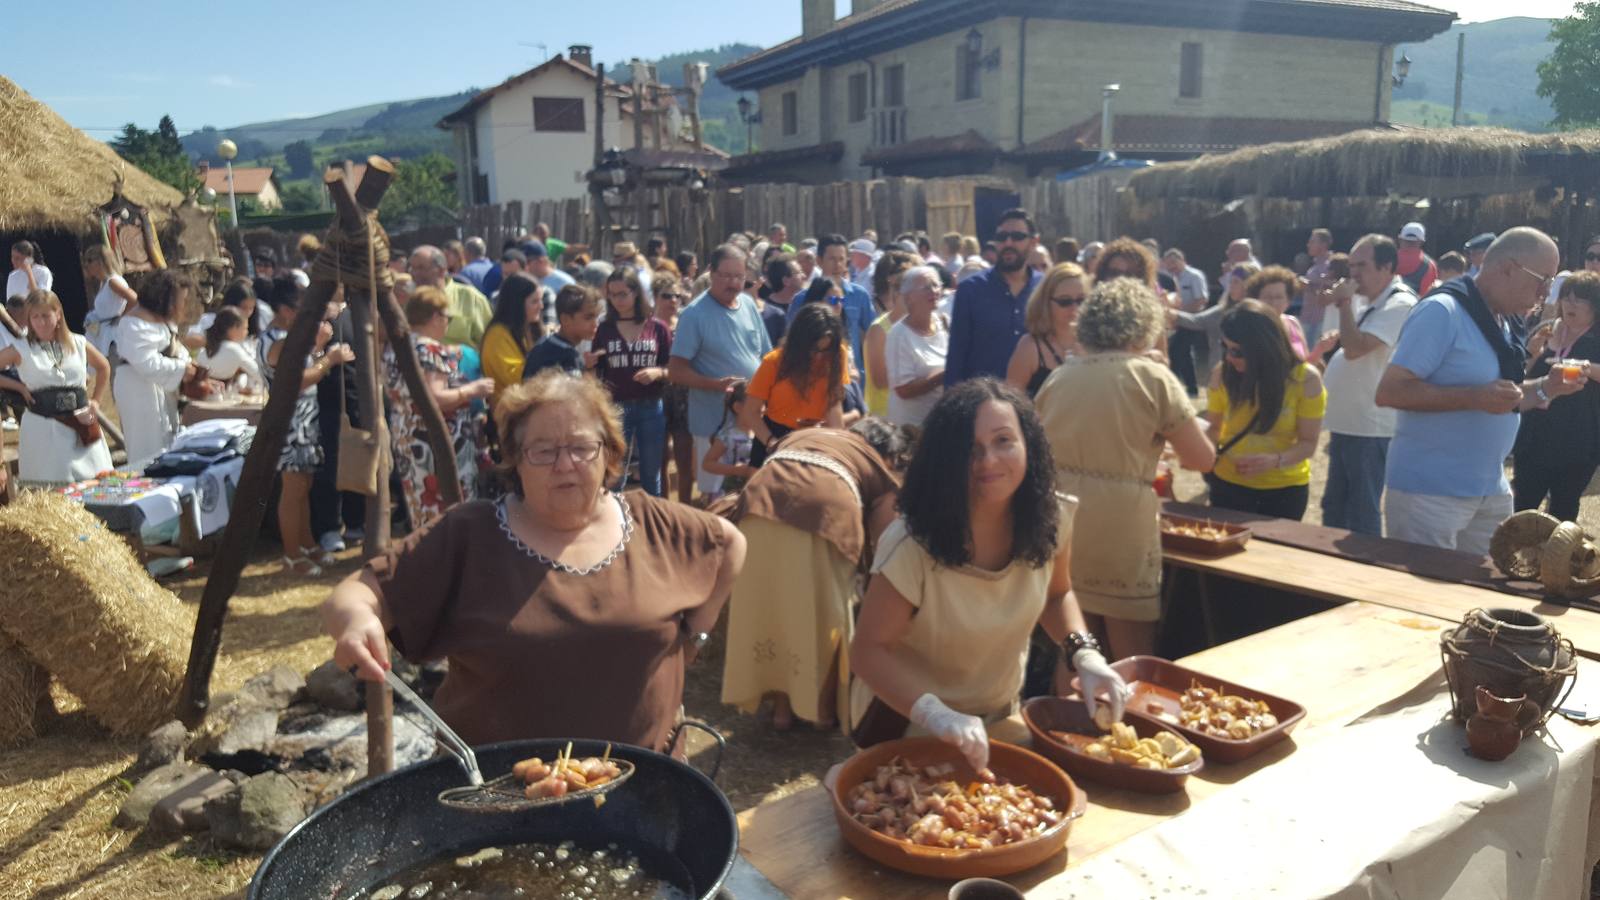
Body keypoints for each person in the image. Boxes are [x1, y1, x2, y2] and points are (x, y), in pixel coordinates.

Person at [325, 371, 747, 749]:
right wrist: (356, 621)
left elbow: (730, 543)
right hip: (497, 799)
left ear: (609, 454)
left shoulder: (655, 523)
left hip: (647, 790)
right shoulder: (471, 535)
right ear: (515, 459)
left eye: (582, 447)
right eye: (542, 451)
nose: (564, 464)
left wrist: (696, 636)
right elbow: (357, 593)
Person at [848, 380, 1129, 766]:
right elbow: (868, 653)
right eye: (970, 448)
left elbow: (1056, 594)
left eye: (1003, 441)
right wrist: (937, 715)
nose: (989, 461)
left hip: (999, 715)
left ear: (1028, 443)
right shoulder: (910, 544)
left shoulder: (1053, 519)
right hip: (908, 724)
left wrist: (1084, 653)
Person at [1037, 279, 1215, 659]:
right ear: (1144, 325)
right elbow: (1202, 459)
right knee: (1130, 653)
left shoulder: (1060, 376)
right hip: (1121, 522)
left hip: (1064, 517)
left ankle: (1064, 717)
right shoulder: (1151, 377)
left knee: (1075, 647)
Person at [1376, 228, 1580, 553]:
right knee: (1424, 599)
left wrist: (1546, 388)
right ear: (1508, 268)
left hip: (1489, 491)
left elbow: (1504, 398)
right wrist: (1473, 397)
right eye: (1542, 280)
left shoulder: (1504, 319)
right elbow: (1389, 391)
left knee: (1481, 598)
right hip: (1430, 494)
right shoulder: (1442, 311)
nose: (1546, 293)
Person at [722, 420, 908, 731]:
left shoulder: (806, 435)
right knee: (823, 618)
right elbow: (886, 545)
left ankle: (782, 711)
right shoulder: (878, 467)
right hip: (825, 510)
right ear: (888, 455)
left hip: (757, 506)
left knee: (773, 611)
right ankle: (821, 712)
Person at [1314, 234, 1417, 535]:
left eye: (1361, 265)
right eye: (1351, 265)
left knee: (1361, 509)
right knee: (1335, 506)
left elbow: (1356, 348)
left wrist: (1344, 303)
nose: (1353, 272)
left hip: (1370, 427)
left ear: (1387, 267)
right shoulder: (1370, 300)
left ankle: (1365, 569)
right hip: (1351, 423)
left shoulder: (1400, 303)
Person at [384, 287, 496, 531]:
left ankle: (426, 556)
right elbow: (435, 398)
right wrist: (473, 390)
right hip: (438, 441)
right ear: (435, 317)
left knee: (420, 505)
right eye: (448, 318)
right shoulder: (432, 350)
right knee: (450, 505)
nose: (448, 324)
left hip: (406, 436)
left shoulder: (395, 349)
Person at [1204, 300, 1327, 520]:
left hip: (1284, 491)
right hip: (1229, 486)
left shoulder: (1305, 379)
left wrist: (1276, 460)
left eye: (1237, 352)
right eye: (1226, 348)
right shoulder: (1222, 374)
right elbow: (1213, 428)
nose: (1230, 358)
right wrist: (1201, 449)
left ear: (1263, 347)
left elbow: (1308, 444)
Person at [264, 285, 356, 574]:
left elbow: (303, 364)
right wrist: (329, 358)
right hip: (290, 421)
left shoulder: (288, 338)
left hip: (305, 419)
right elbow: (298, 380)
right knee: (292, 490)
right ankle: (292, 554)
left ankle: (306, 544)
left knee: (304, 486)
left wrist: (317, 349)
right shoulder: (276, 341)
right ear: (287, 310)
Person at [669, 244, 773, 497]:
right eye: (726, 276)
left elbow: (766, 356)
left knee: (751, 491)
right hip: (713, 422)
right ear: (710, 273)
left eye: (739, 276)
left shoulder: (748, 305)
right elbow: (676, 371)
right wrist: (714, 384)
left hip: (752, 421)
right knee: (714, 494)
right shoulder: (694, 314)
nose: (733, 282)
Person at [0, 290, 113, 483]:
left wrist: (95, 401)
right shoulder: (21, 348)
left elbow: (103, 367)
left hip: (81, 426)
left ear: (58, 314)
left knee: (95, 483)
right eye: (35, 316)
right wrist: (19, 387)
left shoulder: (77, 343)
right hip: (44, 428)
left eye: (46, 315)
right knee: (53, 491)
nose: (41, 322)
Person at [1514, 271, 1600, 521]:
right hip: (1535, 434)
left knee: (1563, 506)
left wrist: (1586, 367)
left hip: (1578, 439)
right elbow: (1518, 375)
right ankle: (1514, 558)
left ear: (1595, 305)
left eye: (1579, 300)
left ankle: (1556, 558)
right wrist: (1531, 352)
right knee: (1523, 502)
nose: (1570, 304)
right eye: (1566, 297)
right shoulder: (1546, 330)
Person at [945, 209, 1045, 386]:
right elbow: (956, 358)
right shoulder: (971, 290)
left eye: (1017, 236)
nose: (1008, 243)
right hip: (984, 403)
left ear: (1033, 242)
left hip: (1035, 403)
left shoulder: (1044, 288)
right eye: (1002, 237)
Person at [596, 267, 672, 496]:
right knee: (616, 474)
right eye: (612, 294)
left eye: (622, 294)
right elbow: (596, 371)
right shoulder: (604, 328)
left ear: (636, 293)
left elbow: (672, 367)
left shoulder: (657, 327)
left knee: (651, 473)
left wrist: (658, 373)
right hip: (616, 406)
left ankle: (653, 524)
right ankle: (615, 523)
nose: (617, 300)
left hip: (651, 405)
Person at [744, 303, 850, 465]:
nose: (819, 357)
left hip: (815, 437)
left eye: (826, 350)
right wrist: (772, 442)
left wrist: (837, 442)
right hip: (774, 437)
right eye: (814, 350)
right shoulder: (773, 362)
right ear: (800, 342)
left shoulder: (837, 355)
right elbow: (751, 412)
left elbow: (833, 404)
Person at [113, 270, 198, 470]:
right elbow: (146, 362)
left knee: (166, 442)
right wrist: (182, 368)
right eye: (181, 300)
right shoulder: (133, 323)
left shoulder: (164, 323)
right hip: (139, 392)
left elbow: (177, 352)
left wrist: (195, 370)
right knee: (147, 447)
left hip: (159, 389)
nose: (183, 306)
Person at [793, 234, 878, 378]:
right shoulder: (801, 299)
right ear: (819, 261)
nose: (837, 265)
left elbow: (873, 333)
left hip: (852, 378)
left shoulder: (859, 295)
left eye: (841, 259)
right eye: (831, 259)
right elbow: (792, 340)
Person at [1004, 263, 1085, 398]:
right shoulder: (1030, 347)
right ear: (1045, 302)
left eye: (1081, 300)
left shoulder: (1097, 345)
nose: (1074, 308)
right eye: (1065, 301)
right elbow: (1012, 403)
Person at [886, 266, 949, 428]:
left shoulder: (944, 323)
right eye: (926, 287)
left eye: (936, 285)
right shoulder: (899, 335)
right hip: (911, 430)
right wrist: (944, 374)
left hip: (940, 424)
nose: (934, 291)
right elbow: (903, 390)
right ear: (908, 298)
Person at [863, 251, 918, 418]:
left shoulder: (925, 325)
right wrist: (926, 377)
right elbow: (879, 381)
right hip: (886, 417)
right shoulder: (879, 329)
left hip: (915, 413)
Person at [410, 245, 493, 348]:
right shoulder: (408, 300)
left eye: (421, 268)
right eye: (412, 268)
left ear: (441, 270)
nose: (414, 273)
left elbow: (490, 343)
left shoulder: (471, 298)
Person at [480, 273, 545, 401]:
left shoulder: (530, 329)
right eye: (535, 301)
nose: (541, 306)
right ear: (517, 303)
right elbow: (517, 379)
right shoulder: (497, 336)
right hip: (509, 414)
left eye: (541, 300)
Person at [523, 285, 604, 378]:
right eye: (588, 318)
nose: (595, 324)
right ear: (565, 319)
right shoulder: (567, 356)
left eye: (596, 317)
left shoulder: (543, 343)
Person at [1161, 249, 1210, 396]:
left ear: (1182, 260)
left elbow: (1201, 300)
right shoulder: (1169, 278)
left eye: (1174, 263)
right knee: (1183, 354)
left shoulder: (1194, 276)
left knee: (1178, 352)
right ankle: (1191, 388)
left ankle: (1174, 386)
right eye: (1168, 265)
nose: (1171, 267)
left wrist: (1180, 312)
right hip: (1176, 321)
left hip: (1193, 320)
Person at [701, 381, 756, 501]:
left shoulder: (762, 434)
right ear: (738, 407)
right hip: (733, 493)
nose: (762, 408)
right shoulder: (728, 435)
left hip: (757, 490)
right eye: (755, 404)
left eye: (763, 403)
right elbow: (707, 463)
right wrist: (735, 470)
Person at [81, 244, 136, 359]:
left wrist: (121, 317)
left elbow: (133, 298)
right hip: (104, 333)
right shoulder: (104, 283)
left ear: (100, 261)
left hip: (113, 336)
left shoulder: (113, 282)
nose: (86, 264)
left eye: (90, 260)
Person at [1245, 266, 1311, 361]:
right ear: (1256, 299)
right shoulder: (1251, 326)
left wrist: (1320, 349)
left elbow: (1306, 363)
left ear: (1288, 300)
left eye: (1279, 297)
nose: (1273, 302)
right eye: (1267, 297)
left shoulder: (1292, 323)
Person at [198, 307, 264, 386]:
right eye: (245, 328)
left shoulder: (204, 349)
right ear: (234, 328)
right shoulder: (234, 349)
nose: (247, 332)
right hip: (221, 395)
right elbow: (258, 374)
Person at [1298, 228, 1337, 343]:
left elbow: (1332, 288)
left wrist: (1308, 286)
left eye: (1312, 242)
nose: (1308, 244)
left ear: (1323, 245)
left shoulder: (1331, 265)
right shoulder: (1313, 267)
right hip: (1308, 317)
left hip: (1320, 320)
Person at [761, 253, 803, 346]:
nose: (803, 276)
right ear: (786, 281)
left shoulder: (804, 305)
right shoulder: (766, 313)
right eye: (799, 272)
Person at [1396, 222, 1438, 297]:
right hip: (1414, 306)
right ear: (1421, 242)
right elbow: (1426, 295)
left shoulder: (1387, 260)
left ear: (1400, 239)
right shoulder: (1430, 265)